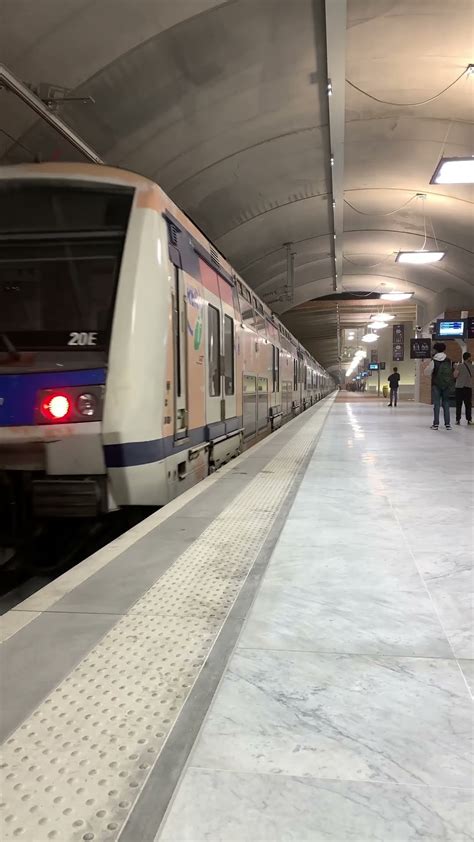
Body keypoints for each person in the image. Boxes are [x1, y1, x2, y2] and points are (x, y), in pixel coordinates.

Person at [423, 342, 455, 430]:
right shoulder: (449, 360)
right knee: (446, 403)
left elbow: (427, 372)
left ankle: (436, 424)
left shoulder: (434, 361)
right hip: (446, 385)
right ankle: (447, 424)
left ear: (436, 350)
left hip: (436, 385)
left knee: (437, 404)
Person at [454, 351, 473, 425]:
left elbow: (455, 375)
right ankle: (469, 420)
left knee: (458, 404)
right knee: (468, 404)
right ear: (468, 358)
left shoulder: (459, 366)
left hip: (459, 387)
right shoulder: (472, 366)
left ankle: (457, 420)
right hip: (468, 387)